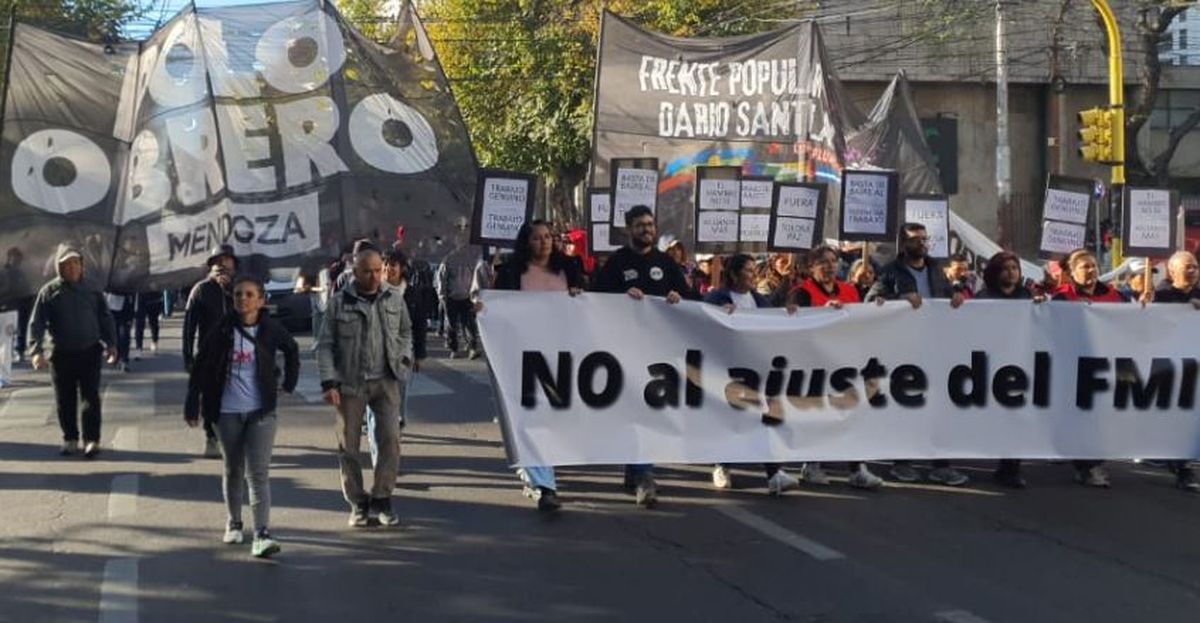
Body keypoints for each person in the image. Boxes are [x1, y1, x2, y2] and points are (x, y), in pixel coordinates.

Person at [185, 276, 299, 558]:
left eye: (249, 295)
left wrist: (289, 383)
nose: (243, 300)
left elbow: (292, 349)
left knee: (257, 473)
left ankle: (261, 533)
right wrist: (192, 402)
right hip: (226, 412)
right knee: (233, 469)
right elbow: (201, 365)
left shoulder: (271, 328)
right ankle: (234, 522)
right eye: (238, 295)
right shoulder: (222, 329)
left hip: (261, 411)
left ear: (261, 300)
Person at [481, 221, 584, 512]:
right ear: (526, 242)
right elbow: (497, 308)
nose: (544, 243)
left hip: (562, 353)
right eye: (537, 238)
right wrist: (483, 309)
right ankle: (544, 484)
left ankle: (540, 469)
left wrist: (580, 295)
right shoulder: (512, 273)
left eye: (548, 237)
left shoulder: (569, 268)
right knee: (529, 418)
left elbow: (588, 300)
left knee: (554, 416)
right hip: (523, 355)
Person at [593, 205, 688, 508]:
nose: (646, 229)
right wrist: (622, 298)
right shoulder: (617, 263)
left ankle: (638, 471)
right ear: (628, 229)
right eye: (640, 225)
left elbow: (691, 300)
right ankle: (642, 473)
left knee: (650, 412)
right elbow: (595, 298)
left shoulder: (666, 263)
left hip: (660, 353)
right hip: (624, 351)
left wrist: (678, 298)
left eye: (650, 224)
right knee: (635, 411)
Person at [867, 223, 969, 487]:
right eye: (916, 240)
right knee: (907, 403)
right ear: (904, 244)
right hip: (904, 349)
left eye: (925, 239)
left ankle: (941, 464)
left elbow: (946, 295)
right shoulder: (890, 271)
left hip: (935, 346)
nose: (923, 243)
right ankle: (902, 462)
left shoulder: (936, 269)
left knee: (939, 406)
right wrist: (898, 298)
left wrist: (956, 295)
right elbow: (871, 301)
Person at [318, 245, 413, 528]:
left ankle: (382, 497)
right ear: (354, 272)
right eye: (366, 272)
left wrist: (404, 357)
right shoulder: (338, 302)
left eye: (377, 271)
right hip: (350, 383)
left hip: (385, 380)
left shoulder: (394, 298)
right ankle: (358, 502)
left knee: (390, 440)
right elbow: (324, 345)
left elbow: (406, 331)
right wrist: (329, 381)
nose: (373, 277)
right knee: (348, 446)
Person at [788, 246, 886, 490]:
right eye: (822, 262)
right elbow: (793, 324)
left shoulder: (850, 291)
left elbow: (862, 320)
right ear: (811, 267)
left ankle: (857, 469)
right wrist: (821, 314)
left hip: (846, 363)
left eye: (833, 261)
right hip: (814, 365)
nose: (829, 265)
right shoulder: (801, 293)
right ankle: (811, 465)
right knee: (817, 415)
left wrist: (878, 307)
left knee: (852, 415)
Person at [704, 254, 802, 496]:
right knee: (730, 418)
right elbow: (701, 320)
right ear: (735, 274)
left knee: (765, 417)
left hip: (756, 368)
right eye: (747, 270)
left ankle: (774, 474)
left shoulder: (759, 300)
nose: (753, 274)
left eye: (753, 270)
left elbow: (772, 323)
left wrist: (787, 314)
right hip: (726, 368)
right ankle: (722, 465)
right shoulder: (717, 297)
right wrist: (718, 313)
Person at [1051, 248, 1136, 488]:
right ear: (1072, 272)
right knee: (1081, 415)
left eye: (1094, 266)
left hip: (1107, 363)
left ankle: (1090, 462)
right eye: (1085, 266)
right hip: (1074, 366)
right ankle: (1088, 466)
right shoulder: (1061, 297)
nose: (1091, 271)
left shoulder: (1116, 296)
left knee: (1102, 414)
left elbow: (1130, 326)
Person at [27, 247, 118, 457]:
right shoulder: (49, 292)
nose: (72, 267)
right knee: (64, 399)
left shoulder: (92, 289)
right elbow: (37, 323)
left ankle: (92, 440)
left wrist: (112, 344)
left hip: (90, 351)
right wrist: (36, 351)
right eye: (67, 264)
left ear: (82, 265)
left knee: (91, 397)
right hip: (61, 354)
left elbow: (105, 317)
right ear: (59, 268)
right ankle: (70, 438)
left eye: (75, 263)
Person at [974, 252, 1044, 489]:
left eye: (1015, 267)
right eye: (1005, 268)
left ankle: (1010, 467)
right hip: (990, 363)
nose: (1011, 272)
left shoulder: (1026, 296)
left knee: (1015, 414)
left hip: (1018, 363)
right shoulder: (983, 298)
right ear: (995, 273)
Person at [365, 249, 427, 474]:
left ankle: (391, 450)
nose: (388, 270)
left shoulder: (411, 294)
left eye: (392, 265)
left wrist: (419, 355)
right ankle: (381, 460)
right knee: (376, 411)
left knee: (397, 412)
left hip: (402, 361)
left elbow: (419, 326)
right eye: (384, 266)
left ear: (401, 268)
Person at [1147, 250, 1200, 492]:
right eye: (1187, 267)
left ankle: (1182, 464)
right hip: (1167, 369)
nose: (1193, 271)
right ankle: (1181, 465)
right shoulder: (1161, 296)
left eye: (1195, 267)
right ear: (1172, 271)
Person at [185, 244, 239, 458]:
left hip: (238, 353)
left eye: (227, 261)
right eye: (218, 262)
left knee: (236, 396)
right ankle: (211, 437)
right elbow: (189, 326)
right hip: (209, 354)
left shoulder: (240, 289)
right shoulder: (201, 290)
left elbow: (253, 316)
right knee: (211, 396)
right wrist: (188, 356)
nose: (222, 266)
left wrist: (228, 292)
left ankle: (236, 436)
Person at [437, 243, 480, 359]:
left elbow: (475, 279)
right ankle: (454, 349)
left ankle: (471, 348)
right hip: (452, 297)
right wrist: (442, 296)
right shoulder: (448, 260)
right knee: (453, 324)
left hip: (466, 297)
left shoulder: (470, 261)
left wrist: (475, 295)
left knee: (469, 324)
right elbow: (442, 279)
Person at [104, 292, 135, 372]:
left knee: (124, 335)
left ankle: (124, 360)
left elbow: (132, 291)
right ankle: (115, 356)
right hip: (110, 307)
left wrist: (131, 315)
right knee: (113, 335)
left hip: (124, 308)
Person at [133, 290, 163, 359]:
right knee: (139, 324)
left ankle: (154, 341)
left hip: (154, 296)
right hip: (140, 297)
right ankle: (138, 348)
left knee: (153, 322)